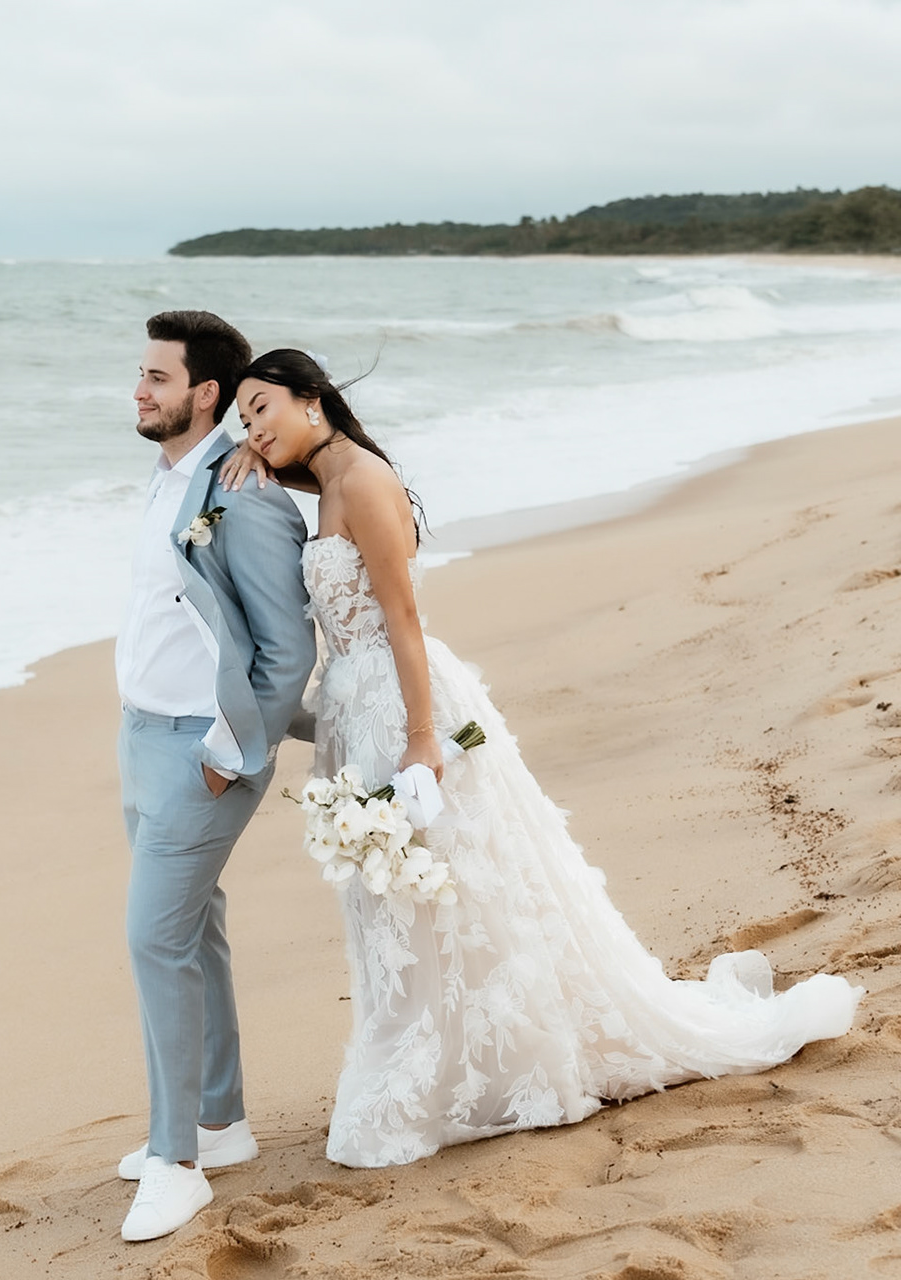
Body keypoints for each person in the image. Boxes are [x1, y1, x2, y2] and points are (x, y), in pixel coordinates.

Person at [219, 348, 860, 1170]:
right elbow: (329, 510)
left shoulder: (366, 481)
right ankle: (446, 1055)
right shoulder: (332, 479)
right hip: (353, 710)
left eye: (262, 407)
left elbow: (404, 619)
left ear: (314, 399)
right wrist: (259, 459)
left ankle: (492, 1061)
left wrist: (422, 740)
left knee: (452, 883)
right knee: (400, 902)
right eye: (242, 418)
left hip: (399, 703)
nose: (253, 427)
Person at [112, 313, 318, 1241]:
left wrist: (232, 752)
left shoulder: (247, 493)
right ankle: (221, 1122)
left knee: (155, 938)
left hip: (206, 750)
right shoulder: (169, 482)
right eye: (140, 374)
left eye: (158, 377)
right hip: (140, 736)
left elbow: (286, 650)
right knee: (194, 931)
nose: (140, 390)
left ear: (206, 393)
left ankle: (176, 1161)